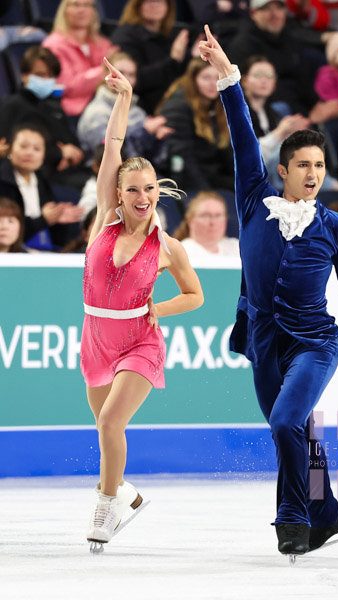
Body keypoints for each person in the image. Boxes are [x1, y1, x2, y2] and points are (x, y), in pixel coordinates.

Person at [199, 24, 338, 558]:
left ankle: (293, 516)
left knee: (288, 420)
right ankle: (330, 511)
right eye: (304, 166)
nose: (313, 173)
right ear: (283, 170)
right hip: (265, 342)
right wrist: (229, 80)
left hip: (316, 343)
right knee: (298, 435)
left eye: (320, 165)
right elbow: (244, 137)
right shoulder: (253, 202)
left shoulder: (336, 227)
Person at [82, 57, 203, 548]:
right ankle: (126, 492)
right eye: (133, 188)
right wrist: (125, 99)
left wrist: (159, 310)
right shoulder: (103, 222)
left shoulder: (168, 246)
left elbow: (195, 296)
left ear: (158, 192)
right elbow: (113, 147)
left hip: (139, 341)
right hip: (95, 338)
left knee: (112, 422)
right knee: (103, 430)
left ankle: (105, 510)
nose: (143, 196)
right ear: (118, 192)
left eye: (150, 188)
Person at [227, 0, 338, 124]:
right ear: (253, 13)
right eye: (266, 9)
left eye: (279, 8)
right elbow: (246, 92)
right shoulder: (242, 45)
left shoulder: (290, 39)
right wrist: (306, 117)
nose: (274, 14)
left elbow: (302, 78)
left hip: (300, 109)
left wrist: (317, 105)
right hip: (268, 113)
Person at [0, 46, 85, 183]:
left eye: (51, 76)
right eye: (40, 75)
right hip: (36, 177)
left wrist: (71, 156)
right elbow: (8, 149)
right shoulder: (11, 106)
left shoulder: (54, 107)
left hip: (68, 171)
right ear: (24, 75)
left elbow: (74, 145)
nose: (46, 80)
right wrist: (59, 154)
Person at [0, 124, 83, 250]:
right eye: (23, 146)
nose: (30, 153)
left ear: (44, 155)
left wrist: (57, 220)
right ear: (10, 148)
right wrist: (43, 220)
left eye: (37, 149)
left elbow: (52, 230)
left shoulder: (41, 180)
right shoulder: (3, 181)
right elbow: (7, 230)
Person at [77, 52, 173, 161]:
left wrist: (157, 140)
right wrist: (144, 132)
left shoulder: (137, 112)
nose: (125, 79)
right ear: (105, 74)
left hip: (139, 173)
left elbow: (152, 159)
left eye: (131, 75)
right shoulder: (96, 113)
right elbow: (107, 157)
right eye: (120, 72)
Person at [158, 57, 234, 192]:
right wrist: (205, 192)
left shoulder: (217, 105)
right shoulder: (178, 106)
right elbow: (182, 156)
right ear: (193, 80)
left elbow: (226, 152)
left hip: (211, 175)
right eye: (206, 78)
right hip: (184, 181)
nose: (213, 83)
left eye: (217, 78)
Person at [240, 55, 310, 189]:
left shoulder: (274, 113)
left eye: (269, 76)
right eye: (258, 75)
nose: (264, 81)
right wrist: (280, 133)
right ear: (244, 80)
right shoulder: (237, 113)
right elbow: (249, 158)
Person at [111, 0, 191, 114]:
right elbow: (134, 79)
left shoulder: (171, 34)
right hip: (139, 107)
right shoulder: (125, 35)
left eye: (160, 2)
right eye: (149, 1)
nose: (155, 5)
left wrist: (192, 56)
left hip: (171, 101)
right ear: (138, 5)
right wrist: (173, 60)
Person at [42, 0, 114, 118]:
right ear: (64, 10)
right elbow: (66, 87)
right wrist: (103, 71)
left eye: (87, 5)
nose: (82, 10)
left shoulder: (103, 43)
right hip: (74, 113)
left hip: (106, 106)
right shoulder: (53, 45)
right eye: (76, 4)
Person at [173, 191, 239, 257]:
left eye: (218, 216)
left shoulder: (237, 247)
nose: (213, 222)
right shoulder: (183, 251)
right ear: (190, 221)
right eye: (206, 216)